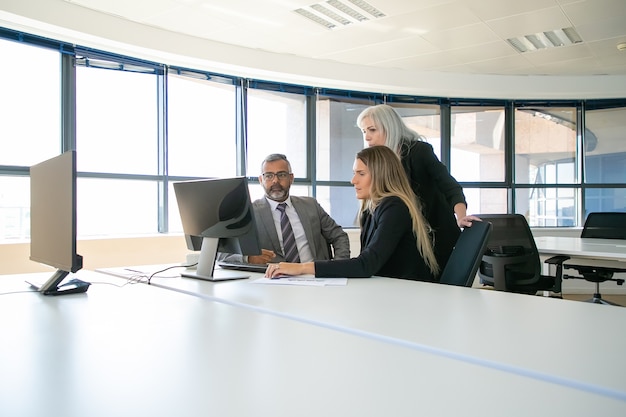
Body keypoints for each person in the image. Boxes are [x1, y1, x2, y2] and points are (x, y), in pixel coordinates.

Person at [266, 145, 439, 281]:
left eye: (361, 174)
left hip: (408, 296)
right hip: (388, 290)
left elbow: (366, 265)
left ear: (381, 175)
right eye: (354, 173)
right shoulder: (371, 209)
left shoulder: (395, 207)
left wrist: (302, 268)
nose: (353, 180)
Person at [356, 104, 480, 271]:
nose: (367, 137)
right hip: (406, 237)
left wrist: (461, 217)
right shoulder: (378, 163)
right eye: (364, 132)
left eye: (372, 130)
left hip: (434, 235)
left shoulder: (419, 152)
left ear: (389, 127)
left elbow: (450, 186)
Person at [220, 153, 350, 265]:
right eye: (269, 176)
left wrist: (337, 267)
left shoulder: (311, 205)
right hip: (272, 283)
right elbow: (222, 255)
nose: (275, 181)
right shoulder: (249, 213)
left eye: (281, 175)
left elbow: (339, 236)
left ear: (291, 178)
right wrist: (248, 258)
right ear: (261, 180)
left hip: (314, 277)